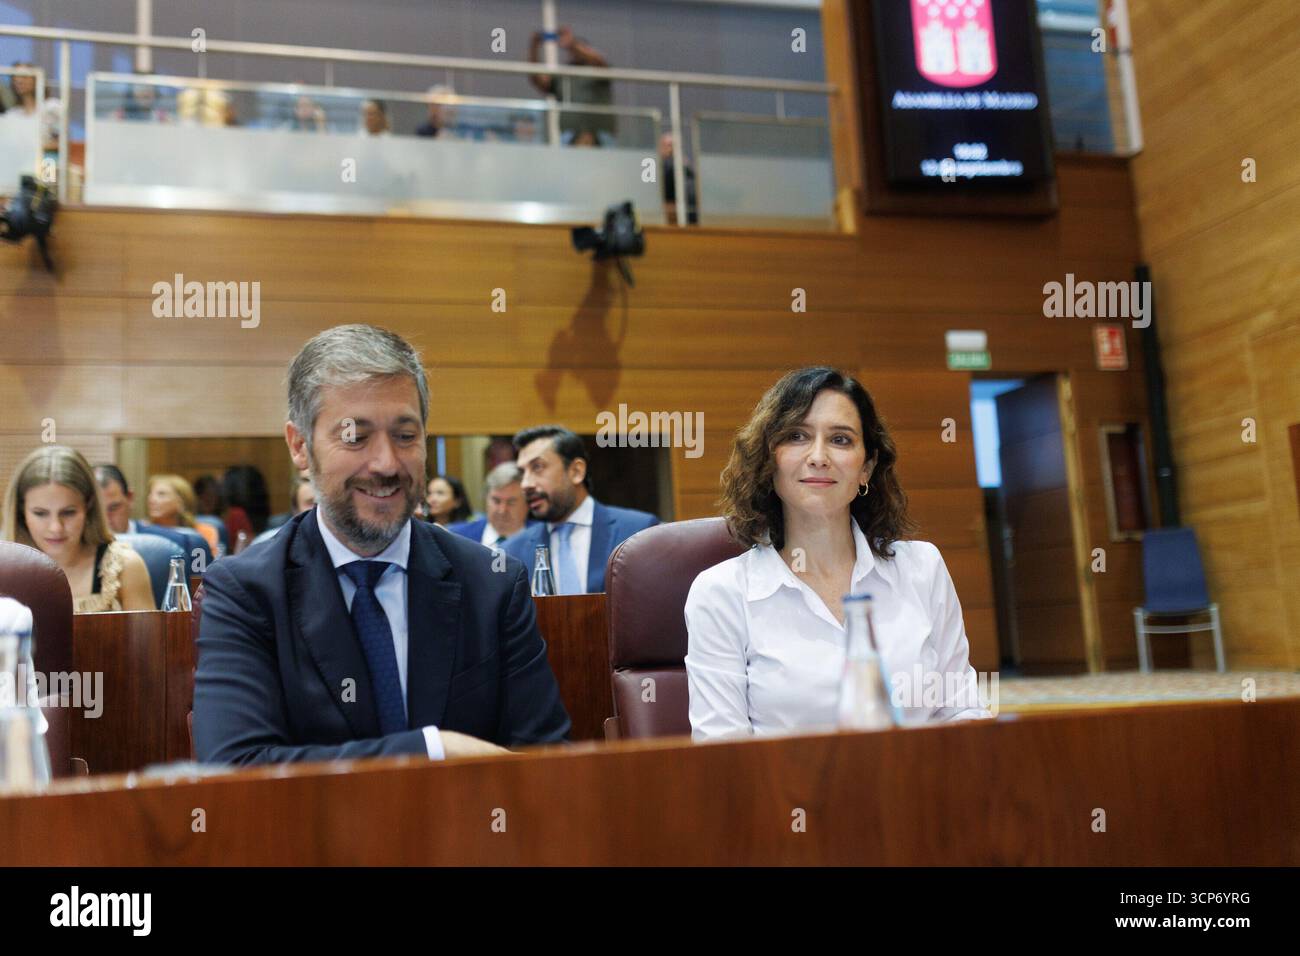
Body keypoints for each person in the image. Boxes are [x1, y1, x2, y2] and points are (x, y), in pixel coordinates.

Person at [193, 324, 571, 765]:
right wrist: (431, 749)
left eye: (405, 435)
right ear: (300, 446)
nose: (387, 463)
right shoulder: (245, 592)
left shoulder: (494, 583)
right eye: (356, 436)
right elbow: (235, 769)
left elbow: (547, 764)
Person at [684, 367, 991, 741]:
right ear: (769, 461)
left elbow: (963, 711)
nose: (818, 456)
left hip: (919, 790)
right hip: (788, 798)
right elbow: (723, 754)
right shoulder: (721, 593)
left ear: (867, 468)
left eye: (841, 440)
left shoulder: (922, 569)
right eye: (796, 436)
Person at [500, 426, 658, 594]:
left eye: (537, 467)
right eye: (522, 473)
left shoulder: (637, 532)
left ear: (576, 471)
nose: (525, 484)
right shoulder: (512, 552)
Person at [3, 446, 154, 613]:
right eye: (40, 513)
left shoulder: (125, 567)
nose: (56, 527)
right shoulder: (4, 568)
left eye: (68, 512)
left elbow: (148, 640)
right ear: (20, 511)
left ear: (89, 505)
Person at [528, 25, 615, 145]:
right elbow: (537, 80)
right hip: (570, 135)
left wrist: (572, 43)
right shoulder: (564, 75)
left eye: (580, 49)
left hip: (601, 134)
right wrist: (534, 46)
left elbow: (599, 61)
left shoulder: (597, 68)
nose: (575, 52)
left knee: (607, 164)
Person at [447, 463, 536, 547]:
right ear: (486, 499)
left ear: (528, 504)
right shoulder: (456, 537)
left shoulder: (544, 538)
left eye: (511, 502)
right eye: (496, 501)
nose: (502, 510)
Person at [146, 474, 221, 554]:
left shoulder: (204, 532)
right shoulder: (142, 530)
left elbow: (208, 565)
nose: (152, 499)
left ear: (181, 502)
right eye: (150, 493)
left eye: (161, 494)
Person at [249, 476, 315, 547]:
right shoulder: (266, 543)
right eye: (311, 503)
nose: (318, 508)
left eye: (322, 503)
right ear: (296, 511)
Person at [93, 464, 139, 534]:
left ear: (130, 498)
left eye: (113, 508)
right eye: (96, 511)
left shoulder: (157, 540)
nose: (106, 521)